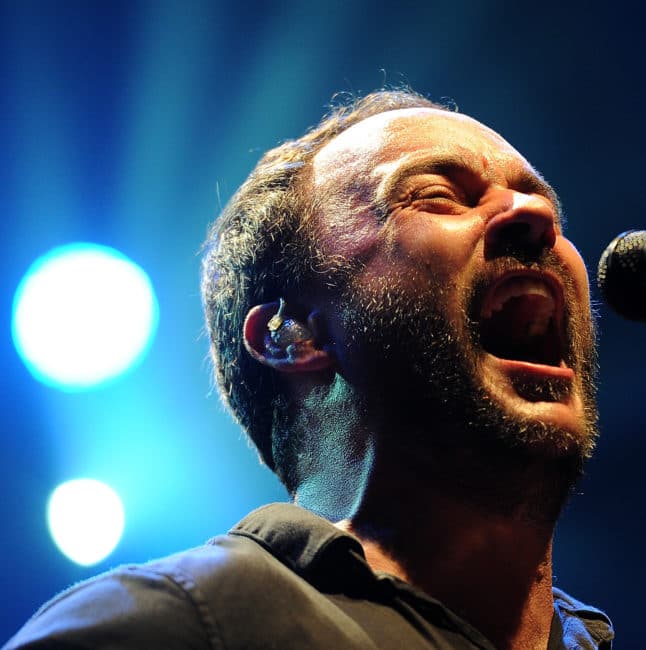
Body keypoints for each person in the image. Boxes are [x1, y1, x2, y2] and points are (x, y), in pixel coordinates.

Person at [5, 89, 613, 650]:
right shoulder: (176, 624)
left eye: (541, 198)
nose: (532, 213)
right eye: (438, 195)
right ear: (291, 334)